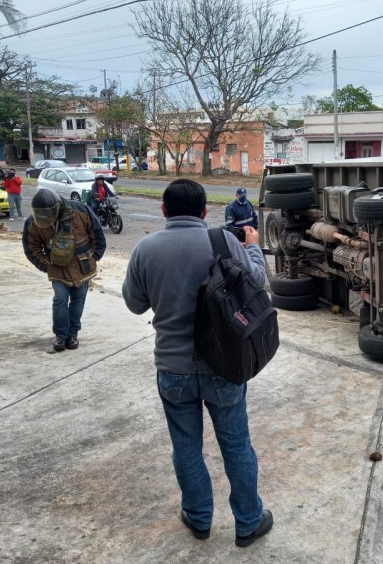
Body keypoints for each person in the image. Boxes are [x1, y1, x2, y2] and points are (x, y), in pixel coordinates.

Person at [122, 179, 273, 548]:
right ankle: (249, 521)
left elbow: (135, 304)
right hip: (224, 365)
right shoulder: (224, 241)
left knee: (186, 446)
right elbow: (258, 282)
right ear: (206, 211)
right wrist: (253, 248)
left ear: (163, 210)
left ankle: (199, 517)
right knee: (237, 446)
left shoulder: (146, 248)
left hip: (173, 369)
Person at [22, 188, 106, 352]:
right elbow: (31, 249)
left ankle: (72, 334)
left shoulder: (80, 210)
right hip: (57, 269)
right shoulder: (33, 223)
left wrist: (94, 257)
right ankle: (60, 335)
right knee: (60, 300)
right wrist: (46, 266)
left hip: (83, 266)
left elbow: (97, 234)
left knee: (78, 301)